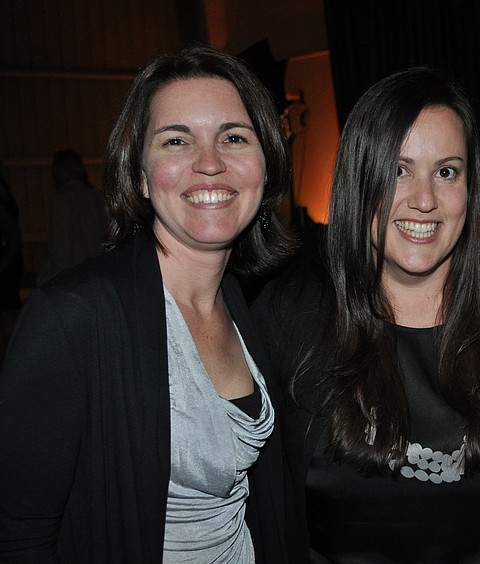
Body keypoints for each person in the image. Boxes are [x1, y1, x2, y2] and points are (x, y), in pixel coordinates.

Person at [251, 67, 480, 562]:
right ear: (359, 176)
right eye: (398, 170)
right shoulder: (289, 313)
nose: (424, 201)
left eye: (447, 172)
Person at [0, 45, 298, 562]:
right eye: (176, 140)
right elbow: (20, 536)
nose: (210, 163)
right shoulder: (73, 317)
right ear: (139, 175)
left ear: (265, 167)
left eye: (233, 137)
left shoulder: (255, 306)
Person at [36, 149, 109, 285]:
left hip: (72, 279)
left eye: (55, 170)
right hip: (97, 276)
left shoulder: (61, 200)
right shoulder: (96, 197)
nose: (53, 175)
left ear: (63, 170)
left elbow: (60, 248)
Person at [0, 159, 23, 358]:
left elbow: (12, 233)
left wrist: (7, 259)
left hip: (6, 266)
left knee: (8, 313)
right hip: (9, 264)